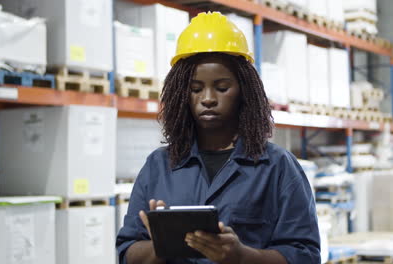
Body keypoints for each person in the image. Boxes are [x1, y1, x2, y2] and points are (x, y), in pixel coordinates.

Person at [116, 12, 320, 264]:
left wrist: (243, 257)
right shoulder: (158, 167)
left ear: (244, 91)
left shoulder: (277, 167)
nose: (208, 98)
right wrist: (161, 246)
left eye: (222, 88)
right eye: (195, 89)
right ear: (182, 94)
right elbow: (127, 253)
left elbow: (306, 255)